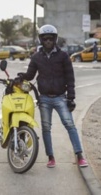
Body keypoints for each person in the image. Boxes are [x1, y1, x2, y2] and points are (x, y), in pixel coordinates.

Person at [17, 24, 88, 168]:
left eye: (51, 38)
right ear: (41, 40)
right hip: (44, 98)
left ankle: (79, 155)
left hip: (60, 97)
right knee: (46, 128)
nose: (48, 41)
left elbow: (70, 77)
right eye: (45, 38)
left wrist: (71, 98)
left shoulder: (63, 56)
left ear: (55, 39)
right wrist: (20, 77)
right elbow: (30, 75)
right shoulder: (36, 57)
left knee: (70, 125)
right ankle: (51, 157)